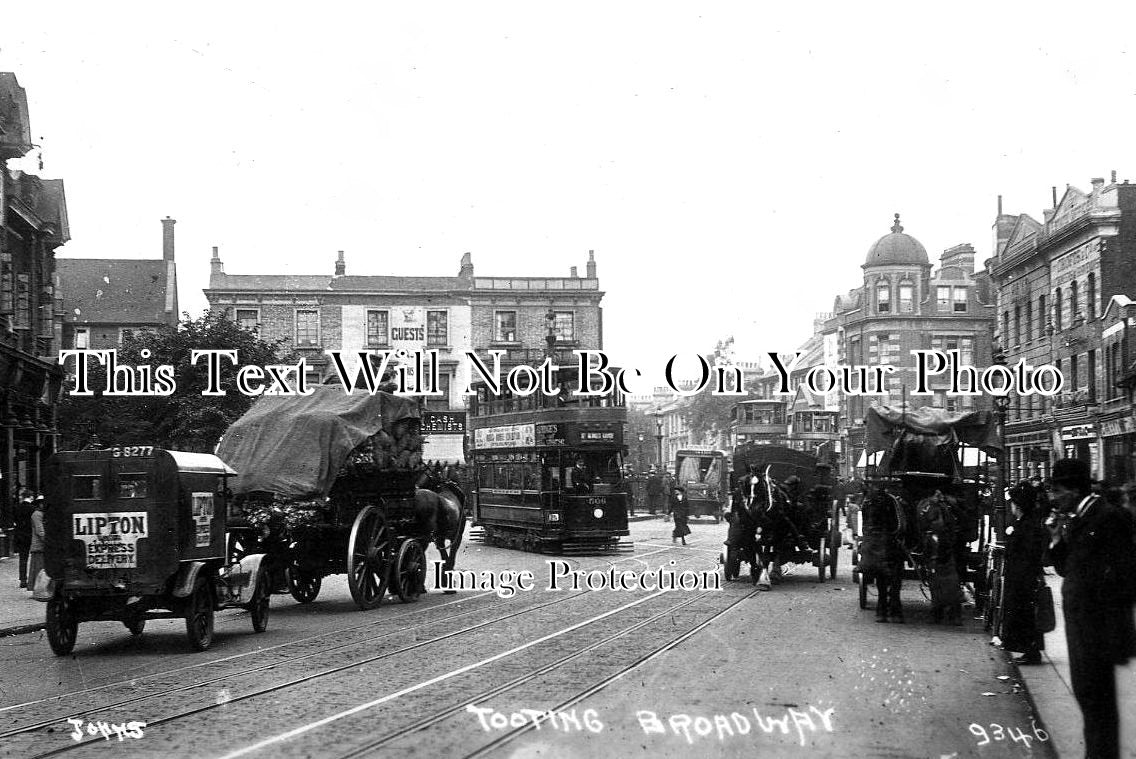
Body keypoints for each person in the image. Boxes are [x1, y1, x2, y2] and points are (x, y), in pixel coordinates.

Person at [1047, 458, 1136, 759]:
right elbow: (1064, 569)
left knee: (1098, 701)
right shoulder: (1077, 517)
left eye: (1057, 491)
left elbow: (1125, 576)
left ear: (1073, 489)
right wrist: (1057, 537)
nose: (1053, 498)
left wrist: (1113, 631)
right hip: (1081, 625)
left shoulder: (1109, 517)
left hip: (1098, 628)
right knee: (1088, 697)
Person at [999, 481, 1048, 665]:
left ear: (1018, 505)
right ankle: (1028, 649)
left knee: (1025, 616)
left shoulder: (1026, 525)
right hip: (1021, 577)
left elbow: (1026, 553)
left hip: (1022, 579)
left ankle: (1030, 650)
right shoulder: (1026, 522)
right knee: (1024, 615)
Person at [12, 488, 34, 589]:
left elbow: (15, 520)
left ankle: (23, 579)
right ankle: (33, 579)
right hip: (31, 535)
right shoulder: (33, 508)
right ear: (30, 497)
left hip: (20, 535)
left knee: (23, 558)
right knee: (35, 558)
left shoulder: (17, 507)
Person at [26, 495, 46, 592]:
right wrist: (46, 540)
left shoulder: (40, 514)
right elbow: (39, 531)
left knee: (38, 568)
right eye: (42, 503)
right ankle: (38, 589)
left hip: (39, 545)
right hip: (39, 545)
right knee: (38, 568)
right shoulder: (37, 514)